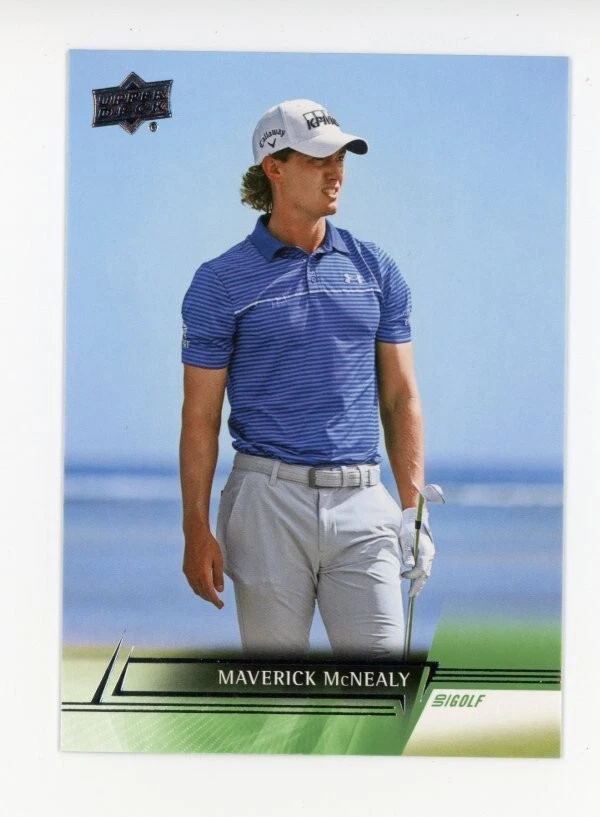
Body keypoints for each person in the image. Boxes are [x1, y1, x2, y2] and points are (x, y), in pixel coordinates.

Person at [179, 98, 435, 658]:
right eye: (319, 159)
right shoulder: (220, 282)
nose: (335, 171)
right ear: (274, 167)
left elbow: (400, 398)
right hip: (265, 505)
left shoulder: (376, 269)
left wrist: (412, 511)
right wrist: (195, 529)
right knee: (277, 692)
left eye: (340, 158)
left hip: (363, 501)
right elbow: (200, 416)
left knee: (381, 686)